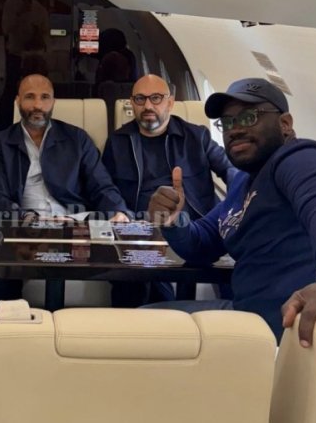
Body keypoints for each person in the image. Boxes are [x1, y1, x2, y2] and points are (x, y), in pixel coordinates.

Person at [148, 78, 316, 354]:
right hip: (245, 315)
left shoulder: (300, 159)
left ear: (285, 124)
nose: (235, 129)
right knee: (142, 318)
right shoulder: (242, 184)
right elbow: (201, 244)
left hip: (285, 327)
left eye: (248, 117)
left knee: (140, 333)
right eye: (227, 123)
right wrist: (173, 220)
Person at [102, 74, 237, 306]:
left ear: (170, 102)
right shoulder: (118, 141)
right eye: (140, 99)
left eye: (156, 98)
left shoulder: (197, 136)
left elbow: (230, 170)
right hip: (143, 228)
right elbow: (105, 186)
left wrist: (242, 197)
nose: (148, 106)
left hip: (196, 226)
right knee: (136, 278)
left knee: (235, 263)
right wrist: (119, 211)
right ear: (132, 103)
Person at [0, 73, 130, 222]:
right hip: (24, 225)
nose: (38, 105)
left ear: (53, 102)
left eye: (45, 97)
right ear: (18, 101)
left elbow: (101, 185)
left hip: (73, 223)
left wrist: (117, 211)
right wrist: (28, 218)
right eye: (29, 97)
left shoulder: (78, 139)